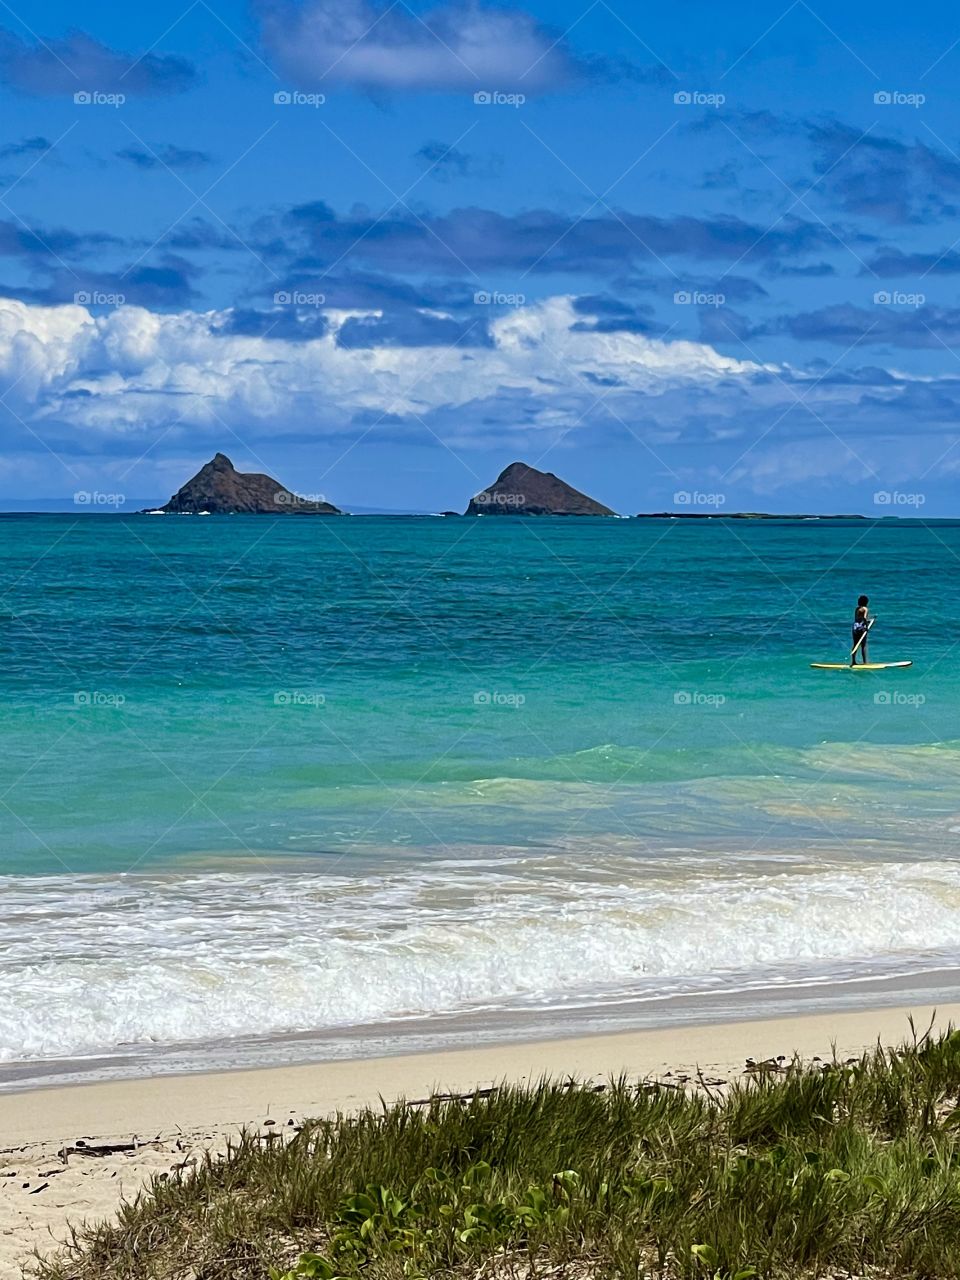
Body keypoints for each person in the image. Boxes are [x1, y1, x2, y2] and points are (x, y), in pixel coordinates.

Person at [851, 595, 870, 665]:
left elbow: (857, 619)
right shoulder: (865, 609)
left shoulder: (857, 609)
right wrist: (867, 626)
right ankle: (865, 662)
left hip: (855, 627)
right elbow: (864, 618)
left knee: (855, 644)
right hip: (861, 628)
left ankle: (853, 661)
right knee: (863, 645)